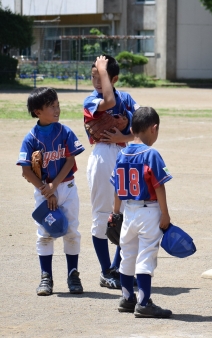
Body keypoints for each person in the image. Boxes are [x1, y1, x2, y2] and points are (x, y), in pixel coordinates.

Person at [17, 87, 85, 295]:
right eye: (51, 107)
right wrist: (46, 191)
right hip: (43, 191)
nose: (57, 110)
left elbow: (70, 159)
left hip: (66, 187)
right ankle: (46, 277)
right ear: (38, 111)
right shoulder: (31, 138)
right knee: (45, 234)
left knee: (72, 231)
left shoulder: (64, 132)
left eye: (58, 105)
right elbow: (26, 170)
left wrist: (54, 186)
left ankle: (73, 274)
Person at [110, 107, 173, 318]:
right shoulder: (152, 154)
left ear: (131, 127)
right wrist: (165, 213)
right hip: (149, 211)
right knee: (146, 255)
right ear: (153, 128)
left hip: (128, 212)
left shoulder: (122, 153)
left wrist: (115, 213)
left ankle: (127, 298)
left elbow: (117, 187)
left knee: (127, 255)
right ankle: (144, 302)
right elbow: (159, 186)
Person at [84, 54, 139, 289]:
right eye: (94, 76)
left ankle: (117, 269)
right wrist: (103, 71)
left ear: (114, 78)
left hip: (123, 154)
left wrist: (123, 136)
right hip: (103, 155)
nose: (97, 81)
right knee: (102, 214)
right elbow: (107, 101)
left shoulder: (126, 98)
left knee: (126, 215)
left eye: (102, 76)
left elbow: (141, 126)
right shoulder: (90, 100)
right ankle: (106, 270)